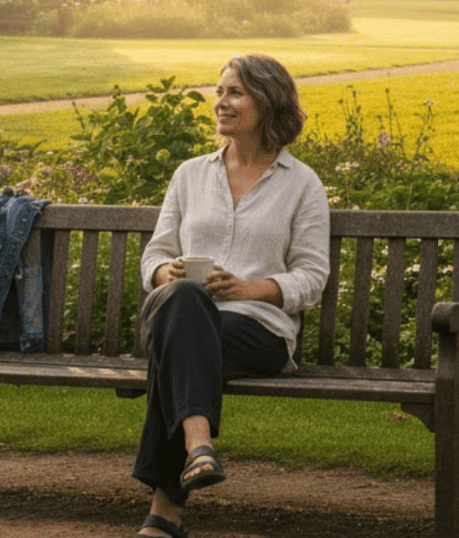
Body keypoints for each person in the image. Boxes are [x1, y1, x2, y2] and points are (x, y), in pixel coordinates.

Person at [131, 53, 331, 538]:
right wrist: (166, 272)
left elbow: (312, 276)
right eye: (220, 91)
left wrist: (249, 288)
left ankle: (166, 510)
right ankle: (199, 447)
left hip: (258, 330)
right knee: (184, 304)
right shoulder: (190, 174)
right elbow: (153, 255)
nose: (221, 102)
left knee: (178, 348)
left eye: (235, 93)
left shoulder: (301, 185)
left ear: (268, 102)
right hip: (181, 312)